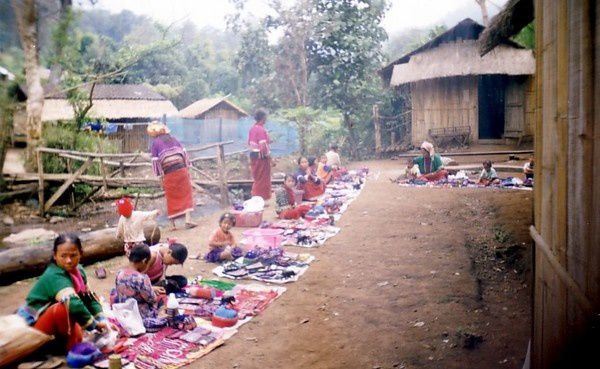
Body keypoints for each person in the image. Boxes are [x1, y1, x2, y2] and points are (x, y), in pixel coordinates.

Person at [17, 234, 108, 352]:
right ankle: (68, 347)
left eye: (73, 255)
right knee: (64, 307)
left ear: (81, 253)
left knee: (89, 299)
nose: (69, 260)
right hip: (34, 325)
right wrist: (94, 325)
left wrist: (102, 320)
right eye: (63, 256)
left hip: (54, 321)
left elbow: (89, 298)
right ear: (55, 256)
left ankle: (67, 340)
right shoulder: (54, 275)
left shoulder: (78, 270)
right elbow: (74, 304)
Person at [147, 121, 197, 231]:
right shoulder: (174, 139)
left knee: (171, 197)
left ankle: (173, 225)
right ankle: (188, 220)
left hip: (169, 173)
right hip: (182, 169)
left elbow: (156, 162)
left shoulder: (155, 143)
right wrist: (187, 168)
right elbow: (184, 153)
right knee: (186, 193)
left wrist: (160, 177)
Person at [111, 244, 163, 324]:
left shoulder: (119, 274)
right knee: (162, 299)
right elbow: (151, 299)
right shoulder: (141, 278)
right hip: (139, 315)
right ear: (144, 260)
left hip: (123, 312)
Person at [248, 109, 273, 200]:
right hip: (261, 156)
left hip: (253, 155)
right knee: (263, 178)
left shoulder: (252, 129)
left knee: (257, 177)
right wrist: (269, 156)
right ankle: (261, 196)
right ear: (263, 118)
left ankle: (256, 195)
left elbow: (250, 142)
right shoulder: (261, 129)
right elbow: (263, 145)